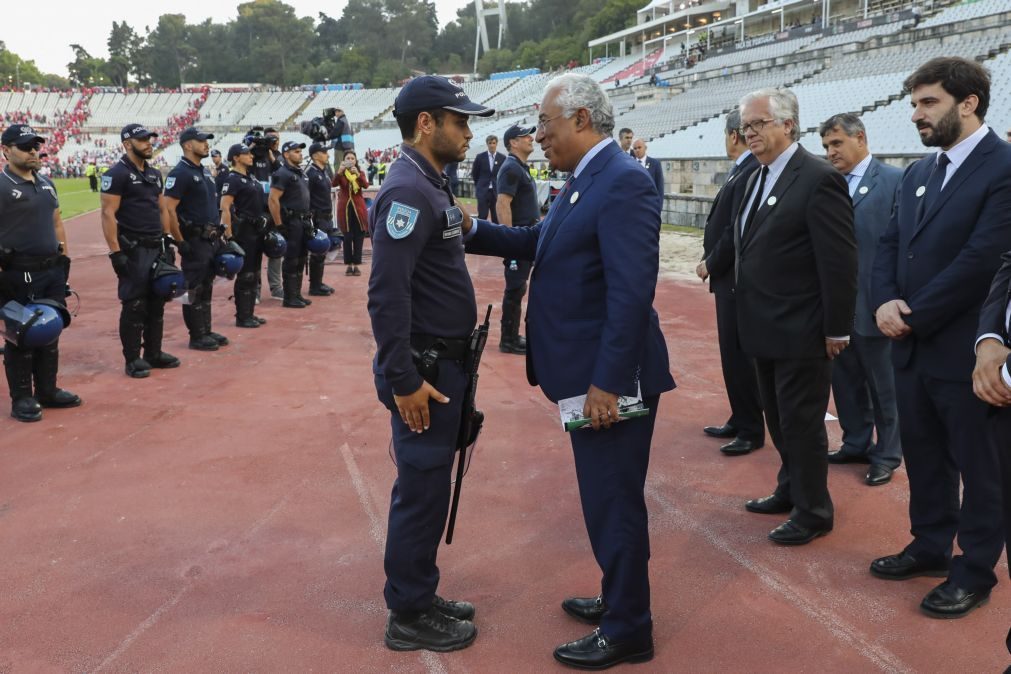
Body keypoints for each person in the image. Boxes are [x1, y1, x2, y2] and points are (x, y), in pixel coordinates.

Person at [464, 73, 674, 670]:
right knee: (604, 495)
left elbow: (633, 293)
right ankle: (618, 596)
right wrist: (472, 230)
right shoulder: (585, 179)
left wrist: (607, 382)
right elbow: (540, 240)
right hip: (585, 373)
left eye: (545, 125)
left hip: (607, 379)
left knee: (614, 499)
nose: (539, 137)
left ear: (581, 119)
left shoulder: (624, 182)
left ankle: (630, 626)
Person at [871, 57, 1011, 619]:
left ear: (969, 102)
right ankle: (929, 544)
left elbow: (985, 261)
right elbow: (888, 244)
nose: (915, 115)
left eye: (928, 102)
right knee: (925, 455)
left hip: (968, 347)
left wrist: (914, 314)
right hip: (912, 346)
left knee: (980, 469)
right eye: (913, 103)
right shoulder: (917, 173)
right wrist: (883, 301)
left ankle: (975, 569)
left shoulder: (1004, 168)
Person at [367, 75, 494, 653]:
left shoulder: (431, 184)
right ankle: (408, 614)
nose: (468, 131)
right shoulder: (407, 193)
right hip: (425, 374)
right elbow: (386, 295)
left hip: (444, 366)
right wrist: (404, 382)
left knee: (431, 485)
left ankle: (420, 588)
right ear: (426, 123)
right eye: (459, 120)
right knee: (420, 490)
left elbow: (469, 235)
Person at [735, 88, 857, 546]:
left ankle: (814, 510)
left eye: (759, 123)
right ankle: (791, 489)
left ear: (788, 124)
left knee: (802, 424)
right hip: (763, 325)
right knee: (778, 420)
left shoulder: (818, 178)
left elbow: (839, 262)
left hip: (802, 328)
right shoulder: (756, 177)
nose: (750, 132)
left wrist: (837, 327)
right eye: (746, 125)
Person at [819, 113, 903, 486]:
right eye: (825, 147)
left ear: (861, 139)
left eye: (836, 144)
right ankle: (855, 441)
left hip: (876, 305)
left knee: (883, 386)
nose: (830, 152)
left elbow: (902, 246)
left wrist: (895, 299)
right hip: (838, 308)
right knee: (846, 381)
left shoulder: (894, 181)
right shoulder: (828, 183)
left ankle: (887, 452)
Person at [0, 124, 81, 421]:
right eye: (26, 146)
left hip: (51, 271)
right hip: (16, 273)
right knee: (19, 333)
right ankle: (21, 398)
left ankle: (47, 390)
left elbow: (57, 221)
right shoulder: (2, 185)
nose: (34, 151)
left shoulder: (47, 182)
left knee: (50, 329)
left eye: (36, 146)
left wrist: (65, 257)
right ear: (6, 150)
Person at [695, 109, 764, 456]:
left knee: (739, 355)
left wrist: (711, 262)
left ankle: (751, 427)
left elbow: (733, 229)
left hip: (735, 277)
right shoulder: (744, 169)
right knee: (730, 355)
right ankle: (740, 416)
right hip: (728, 279)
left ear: (732, 135)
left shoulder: (750, 170)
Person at [101, 123, 181, 377]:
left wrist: (167, 239)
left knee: (157, 301)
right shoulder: (117, 173)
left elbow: (162, 209)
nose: (149, 143)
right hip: (132, 249)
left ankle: (154, 353)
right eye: (142, 139)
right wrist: (116, 253)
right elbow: (108, 213)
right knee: (134, 304)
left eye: (150, 139)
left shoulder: (155, 173)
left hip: (155, 245)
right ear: (127, 144)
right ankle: (133, 359)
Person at [164, 127, 229, 352]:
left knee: (207, 286)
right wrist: (180, 241)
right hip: (194, 240)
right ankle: (196, 335)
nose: (206, 144)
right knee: (192, 288)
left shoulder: (205, 171)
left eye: (207, 141)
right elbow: (168, 209)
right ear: (188, 145)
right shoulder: (180, 173)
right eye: (201, 141)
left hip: (211, 239)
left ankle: (206, 330)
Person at [494, 124, 538, 355]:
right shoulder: (511, 167)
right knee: (514, 288)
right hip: (518, 240)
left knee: (519, 288)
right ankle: (508, 340)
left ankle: (512, 336)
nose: (531, 138)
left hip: (524, 239)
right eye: (525, 136)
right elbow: (503, 203)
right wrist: (509, 240)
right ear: (513, 142)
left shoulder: (519, 167)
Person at [219, 143, 268, 328]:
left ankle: (250, 314)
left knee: (254, 273)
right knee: (245, 274)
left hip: (256, 230)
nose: (251, 157)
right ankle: (242, 316)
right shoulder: (232, 179)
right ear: (236, 158)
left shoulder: (252, 178)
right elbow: (225, 207)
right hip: (244, 231)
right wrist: (229, 236)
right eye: (246, 154)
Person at [268, 141, 314, 309]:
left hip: (303, 221)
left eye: (300, 151)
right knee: (292, 259)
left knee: (301, 258)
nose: (300, 154)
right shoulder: (282, 173)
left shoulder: (299, 173)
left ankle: (297, 294)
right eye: (296, 151)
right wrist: (279, 225)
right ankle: (289, 297)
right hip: (291, 222)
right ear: (286, 154)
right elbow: (273, 199)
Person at [306, 142, 336, 295]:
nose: (327, 155)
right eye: (324, 152)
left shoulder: (322, 172)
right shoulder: (311, 173)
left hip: (326, 217)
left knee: (323, 251)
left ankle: (318, 282)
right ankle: (314, 286)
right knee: (317, 252)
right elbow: (306, 196)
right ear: (315, 155)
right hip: (317, 218)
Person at [334, 149, 370, 278]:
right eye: (348, 158)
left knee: (359, 237)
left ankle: (357, 265)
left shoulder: (360, 172)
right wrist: (339, 172)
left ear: (356, 160)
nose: (350, 161)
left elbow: (366, 185)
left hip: (358, 208)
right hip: (345, 209)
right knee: (347, 237)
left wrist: (358, 175)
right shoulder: (341, 174)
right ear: (344, 160)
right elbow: (333, 184)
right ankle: (349, 265)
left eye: (352, 158)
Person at [470, 135, 504, 222]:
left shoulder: (502, 158)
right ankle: (482, 234)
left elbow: (503, 175)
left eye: (494, 143)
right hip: (482, 191)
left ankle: (496, 234)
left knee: (496, 216)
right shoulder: (480, 157)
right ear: (487, 144)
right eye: (490, 143)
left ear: (496, 144)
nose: (492, 145)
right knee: (482, 216)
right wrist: (479, 186)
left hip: (496, 192)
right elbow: (475, 173)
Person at [630, 138, 664, 210]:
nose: (637, 150)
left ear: (645, 148)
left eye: (639, 147)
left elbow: (660, 187)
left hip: (650, 206)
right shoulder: (630, 164)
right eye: (635, 148)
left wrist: (659, 208)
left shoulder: (655, 164)